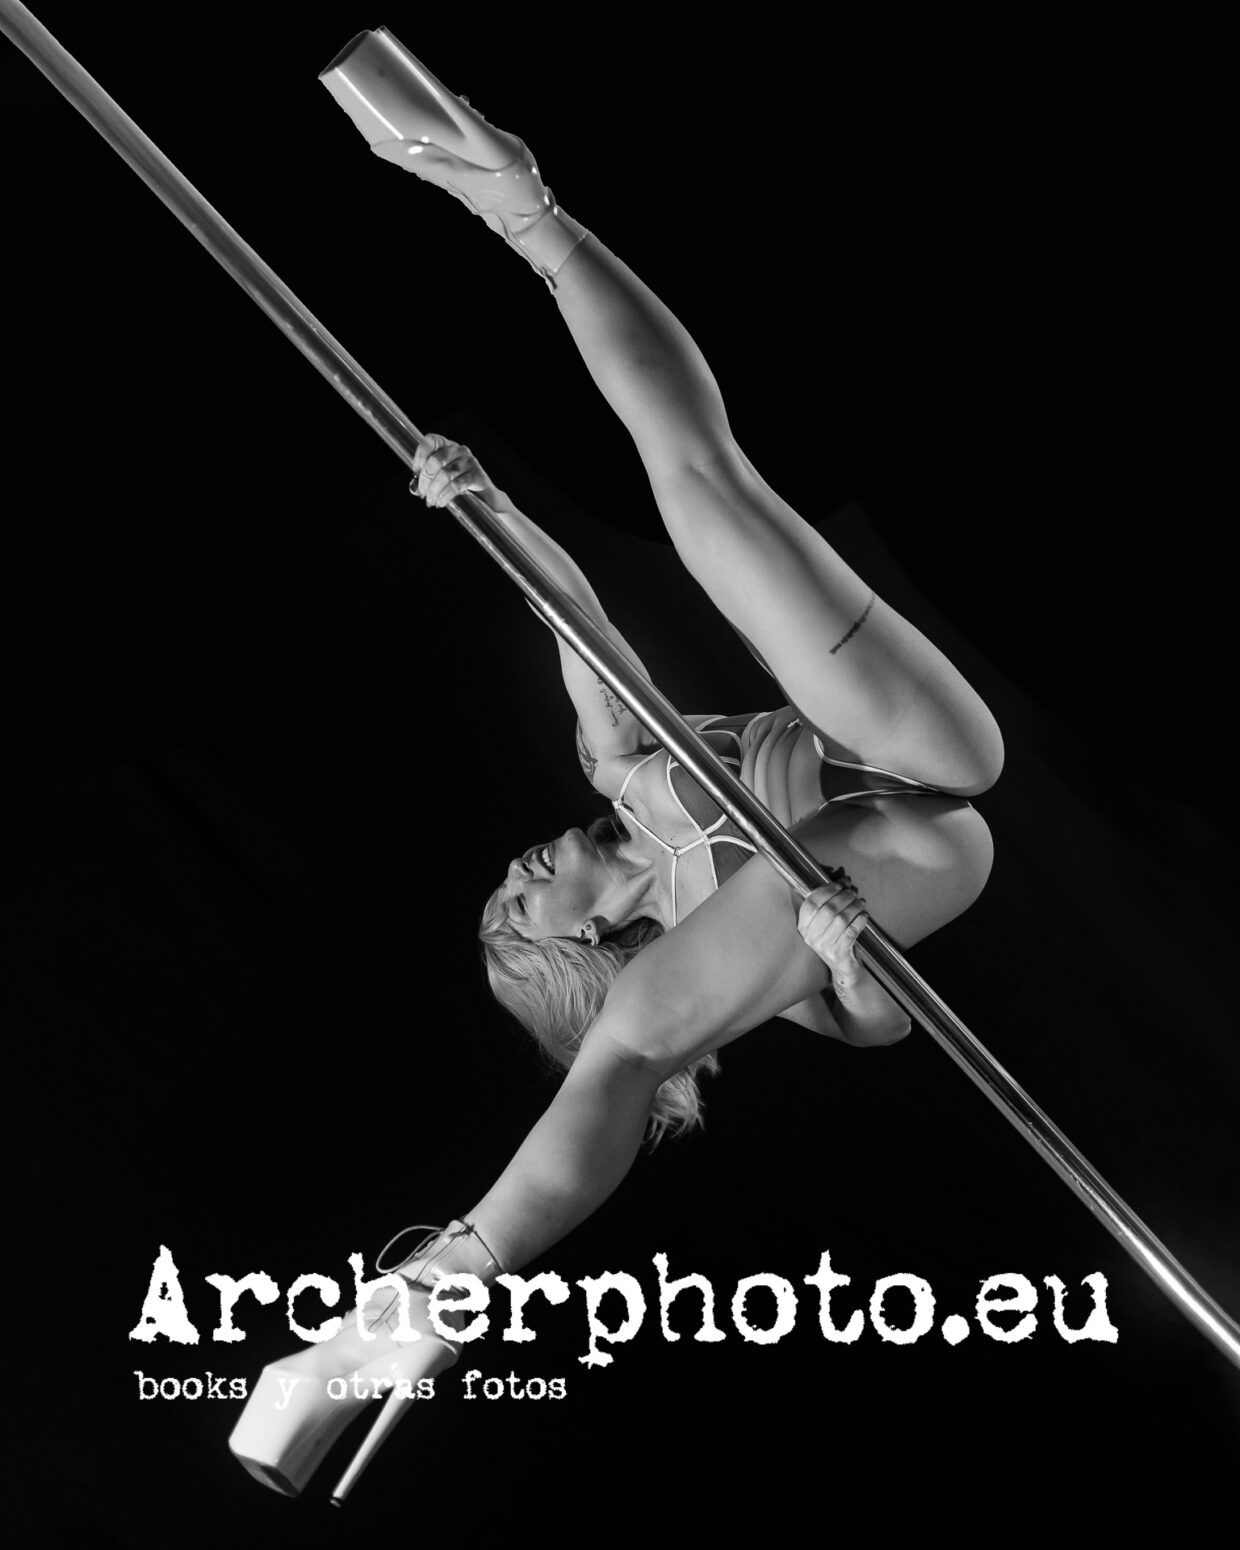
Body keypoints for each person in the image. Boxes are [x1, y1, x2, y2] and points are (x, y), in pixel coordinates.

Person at [230, 29, 1003, 1501]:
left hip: (905, 746)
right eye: (523, 904)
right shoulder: (705, 989)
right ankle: (392, 1326)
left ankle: (516, 204)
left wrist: (487, 505)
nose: (525, 865)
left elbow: (568, 608)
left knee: (701, 480)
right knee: (639, 1044)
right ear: (581, 940)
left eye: (515, 877)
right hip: (925, 845)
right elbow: (875, 1031)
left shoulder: (631, 768)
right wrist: (841, 964)